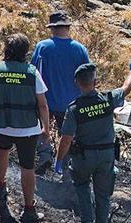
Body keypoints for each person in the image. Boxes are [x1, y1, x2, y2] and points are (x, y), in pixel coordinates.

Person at [0, 33, 49, 223]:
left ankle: (0, 185)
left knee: (2, 150)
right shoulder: (32, 72)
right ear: (25, 52)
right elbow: (43, 105)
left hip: (3, 125)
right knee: (27, 168)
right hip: (28, 129)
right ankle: (29, 209)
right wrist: (45, 128)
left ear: (6, 49)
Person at [53, 54, 131, 223]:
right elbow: (127, 87)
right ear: (95, 82)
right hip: (106, 157)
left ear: (76, 83)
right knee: (103, 195)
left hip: (83, 159)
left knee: (82, 188)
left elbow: (66, 139)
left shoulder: (74, 109)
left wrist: (59, 160)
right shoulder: (108, 99)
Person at [31, 10, 91, 172]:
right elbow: (89, 77)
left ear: (52, 28)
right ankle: (66, 164)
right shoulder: (80, 49)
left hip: (46, 101)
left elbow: (33, 71)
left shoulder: (42, 47)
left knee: (41, 129)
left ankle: (45, 156)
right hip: (72, 103)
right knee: (69, 135)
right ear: (67, 27)